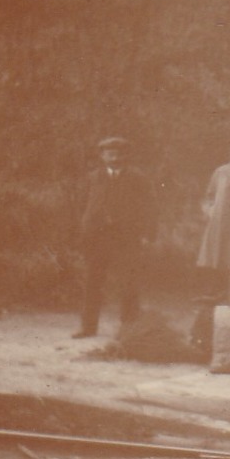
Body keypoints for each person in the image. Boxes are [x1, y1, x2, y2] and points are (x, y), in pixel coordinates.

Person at [74, 136, 157, 339]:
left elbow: (150, 208)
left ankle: (128, 328)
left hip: (127, 239)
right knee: (93, 282)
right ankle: (88, 327)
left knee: (128, 283)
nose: (114, 157)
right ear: (102, 156)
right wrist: (84, 232)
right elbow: (80, 206)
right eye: (109, 153)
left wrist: (148, 235)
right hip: (98, 239)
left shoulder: (138, 179)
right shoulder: (93, 178)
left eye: (118, 153)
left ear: (126, 156)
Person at [196, 143, 230, 296]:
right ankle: (212, 289)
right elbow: (209, 195)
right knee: (215, 254)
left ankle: (229, 289)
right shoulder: (221, 172)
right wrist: (211, 212)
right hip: (219, 220)